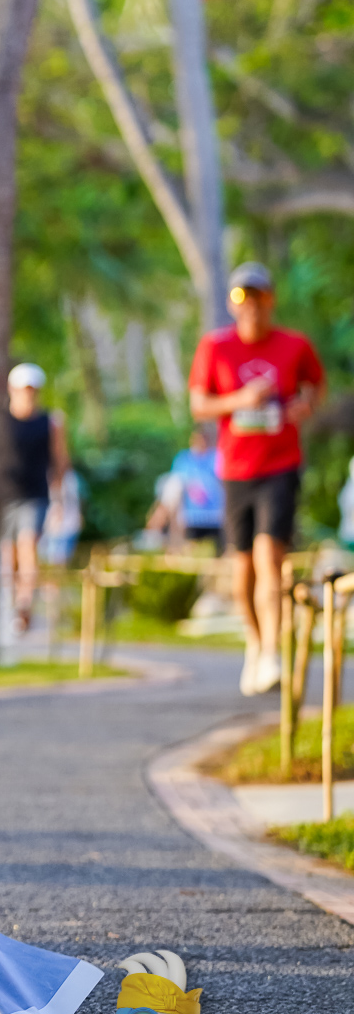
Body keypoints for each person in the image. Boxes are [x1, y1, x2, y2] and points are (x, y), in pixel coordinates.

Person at [188, 262, 325, 696]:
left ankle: (271, 652)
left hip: (280, 465)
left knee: (270, 559)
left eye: (259, 296)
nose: (251, 305)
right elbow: (199, 404)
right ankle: (255, 640)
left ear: (271, 300)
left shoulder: (294, 344)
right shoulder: (216, 346)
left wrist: (305, 405)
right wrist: (240, 400)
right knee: (243, 567)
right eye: (241, 296)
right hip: (235, 470)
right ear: (232, 303)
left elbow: (315, 385)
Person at [1, 363, 70, 633]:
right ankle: (10, 603)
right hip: (5, 497)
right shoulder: (0, 421)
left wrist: (60, 499)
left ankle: (24, 605)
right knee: (9, 555)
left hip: (35, 495)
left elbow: (60, 460)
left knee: (28, 545)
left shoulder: (50, 422)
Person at [146, 429, 223, 549]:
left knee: (173, 489)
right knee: (173, 485)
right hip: (184, 506)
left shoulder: (215, 458)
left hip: (212, 505)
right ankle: (160, 526)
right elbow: (176, 482)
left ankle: (156, 524)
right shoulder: (183, 458)